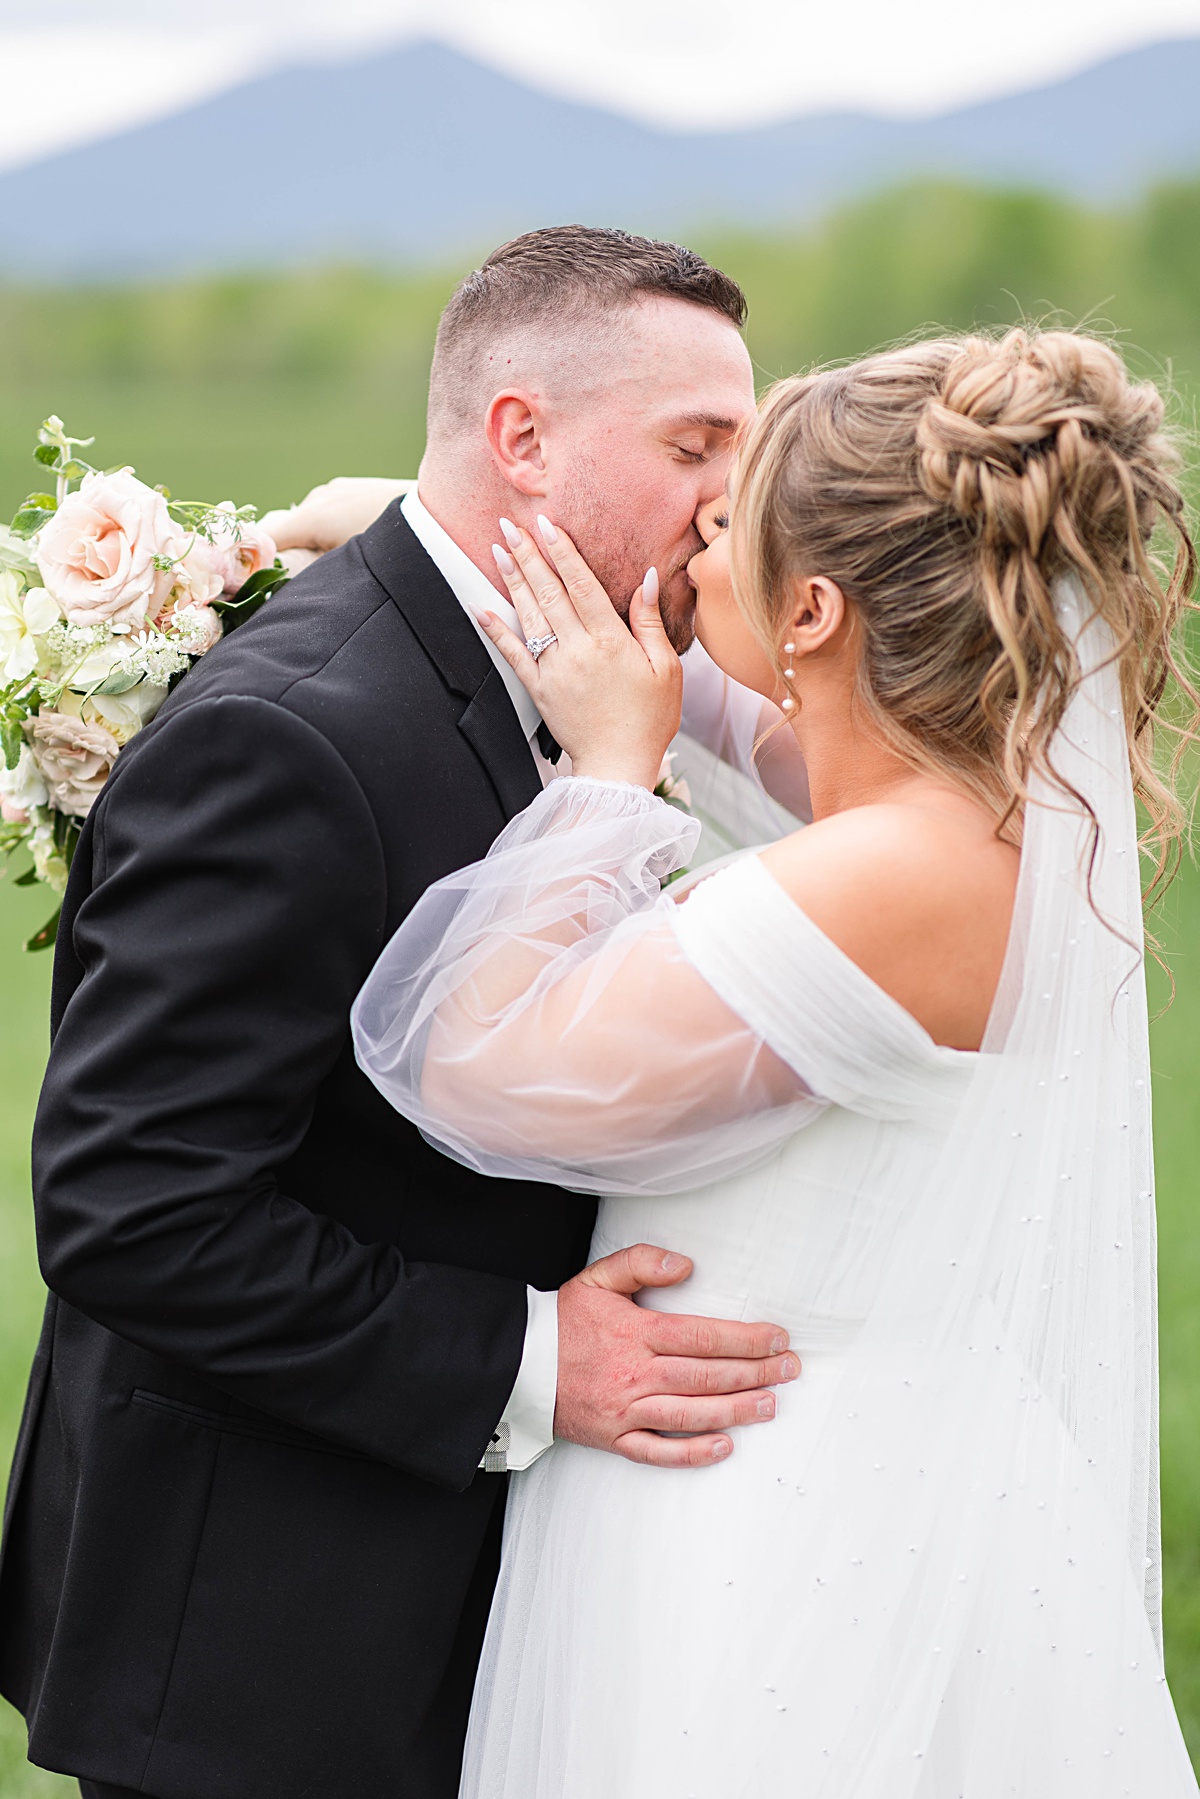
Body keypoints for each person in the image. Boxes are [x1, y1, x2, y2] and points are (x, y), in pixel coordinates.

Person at [0, 227, 803, 1799]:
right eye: (693, 445)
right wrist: (529, 1359)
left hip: (452, 1607)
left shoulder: (563, 670)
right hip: (266, 1649)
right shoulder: (291, 738)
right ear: (521, 437)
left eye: (744, 451)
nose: (728, 500)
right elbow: (133, 1206)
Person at [351, 328, 1200, 1795]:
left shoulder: (895, 874)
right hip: (885, 1473)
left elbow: (477, 1067)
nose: (693, 540)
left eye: (728, 523)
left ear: (810, 610)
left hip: (786, 1537)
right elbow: (750, 726)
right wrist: (419, 534)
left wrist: (611, 775)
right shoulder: (966, 796)